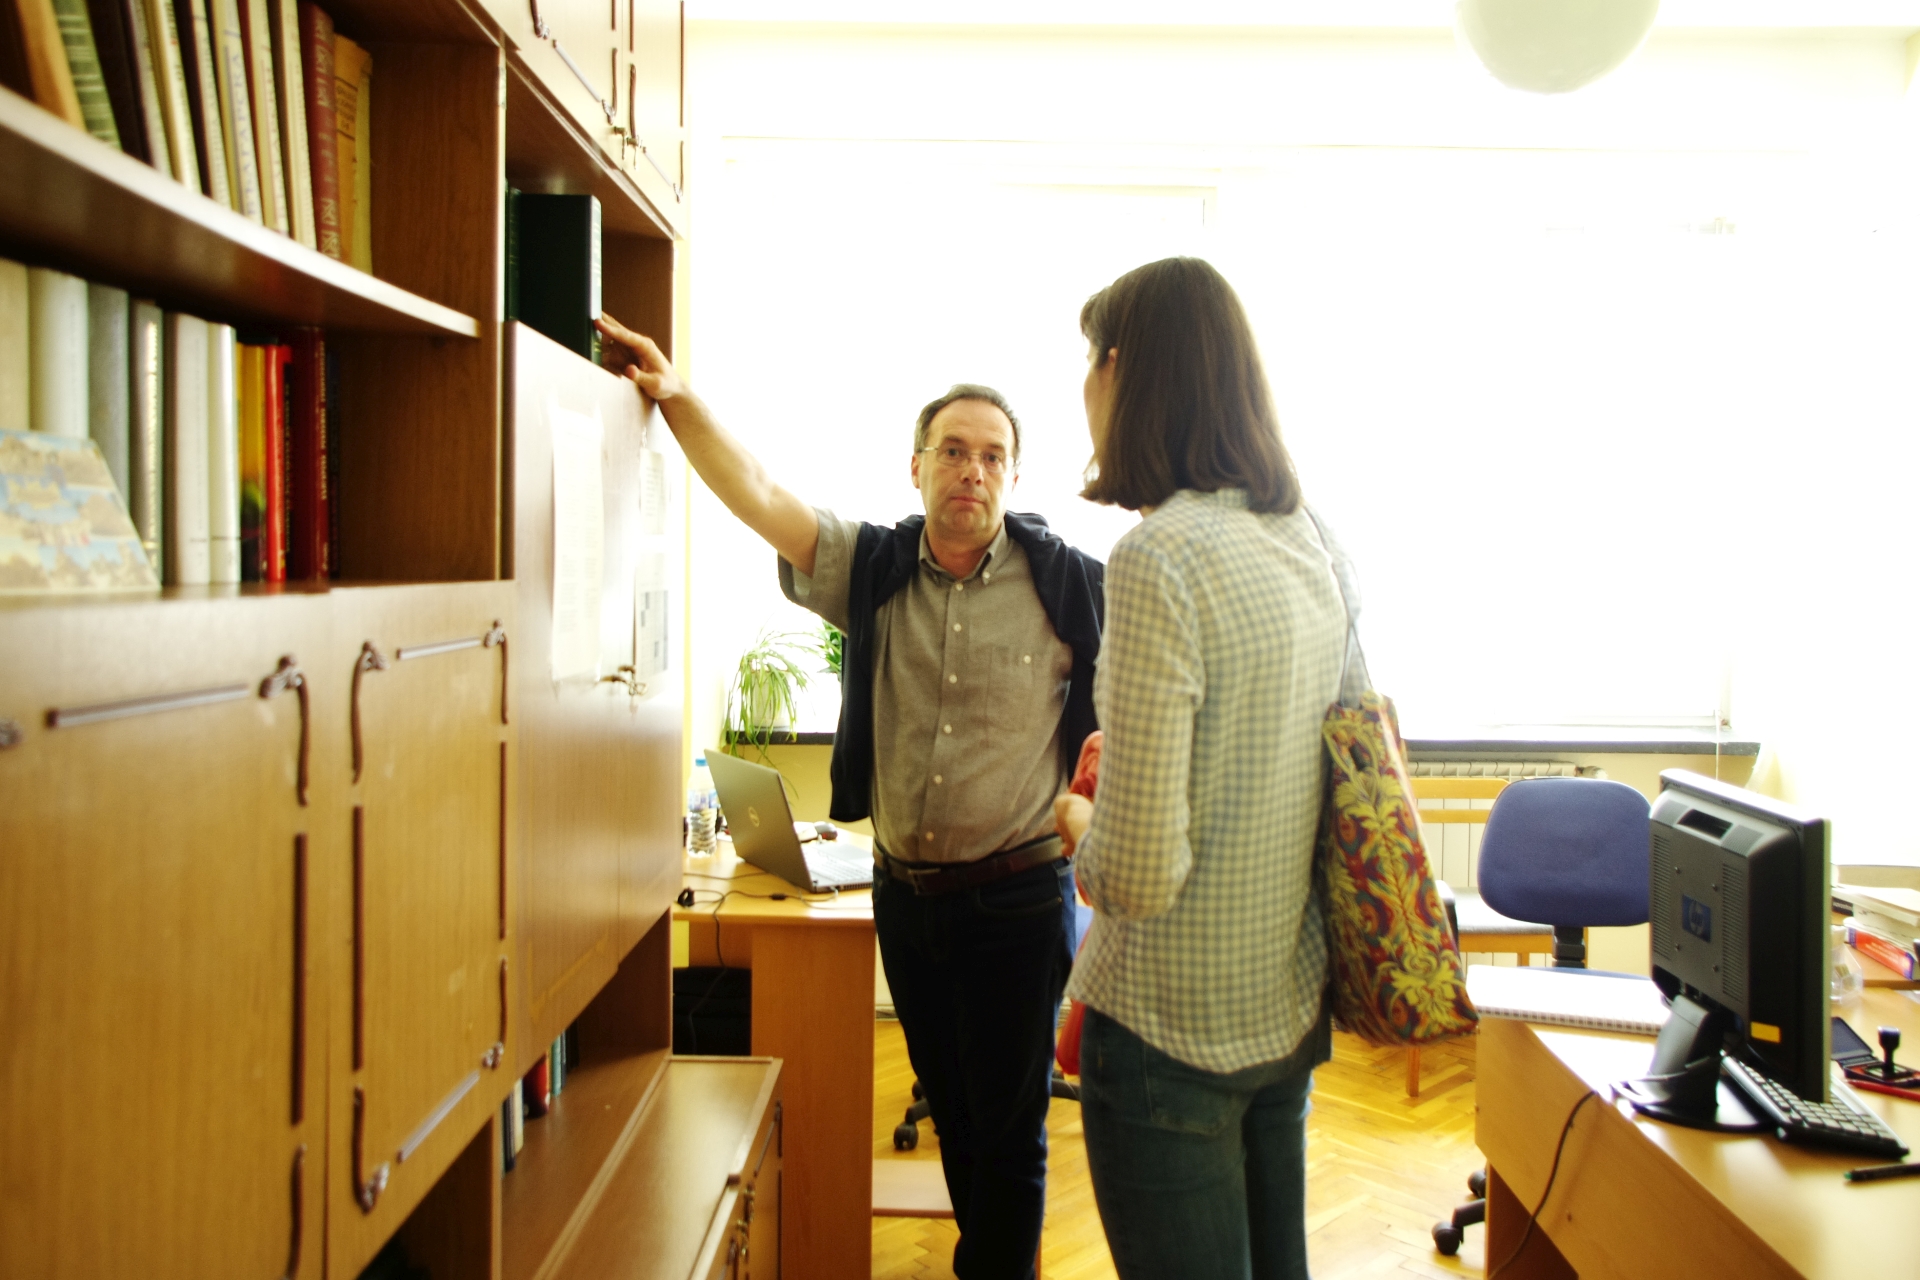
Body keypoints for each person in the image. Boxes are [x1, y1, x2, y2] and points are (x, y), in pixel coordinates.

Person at [595, 315, 1103, 1280]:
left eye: (992, 456)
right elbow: (760, 495)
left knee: (1010, 1131)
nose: (972, 470)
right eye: (952, 450)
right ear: (916, 466)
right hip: (908, 903)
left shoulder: (1068, 585)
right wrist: (679, 398)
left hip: (1018, 901)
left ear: (1013, 476)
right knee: (956, 1116)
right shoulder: (872, 569)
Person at [1052, 257, 1361, 1280]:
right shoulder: (1311, 539)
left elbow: (1137, 875)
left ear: (1122, 369)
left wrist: (1079, 826)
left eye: (1088, 362)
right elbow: (1347, 770)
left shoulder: (1159, 558)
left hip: (1167, 1031)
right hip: (1282, 1004)